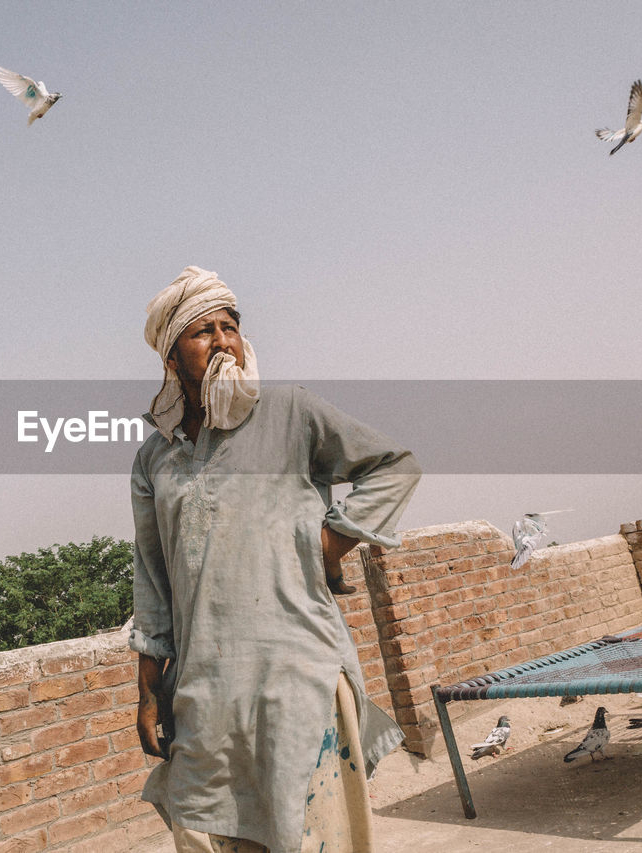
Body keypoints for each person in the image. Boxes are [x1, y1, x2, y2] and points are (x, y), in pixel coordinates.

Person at [130, 266, 421, 852]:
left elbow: (394, 466)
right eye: (202, 331)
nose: (223, 341)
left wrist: (330, 542)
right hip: (203, 690)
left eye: (230, 326)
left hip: (297, 672)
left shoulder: (291, 412)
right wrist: (147, 691)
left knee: (306, 836)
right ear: (170, 356)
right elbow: (153, 581)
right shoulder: (154, 459)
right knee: (202, 829)